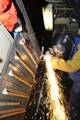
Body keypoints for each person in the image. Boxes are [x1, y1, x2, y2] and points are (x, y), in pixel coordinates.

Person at [50, 35, 80, 120]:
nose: (59, 54)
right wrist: (51, 56)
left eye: (60, 52)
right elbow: (58, 55)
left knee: (74, 101)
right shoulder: (70, 42)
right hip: (77, 78)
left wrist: (53, 63)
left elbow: (73, 66)